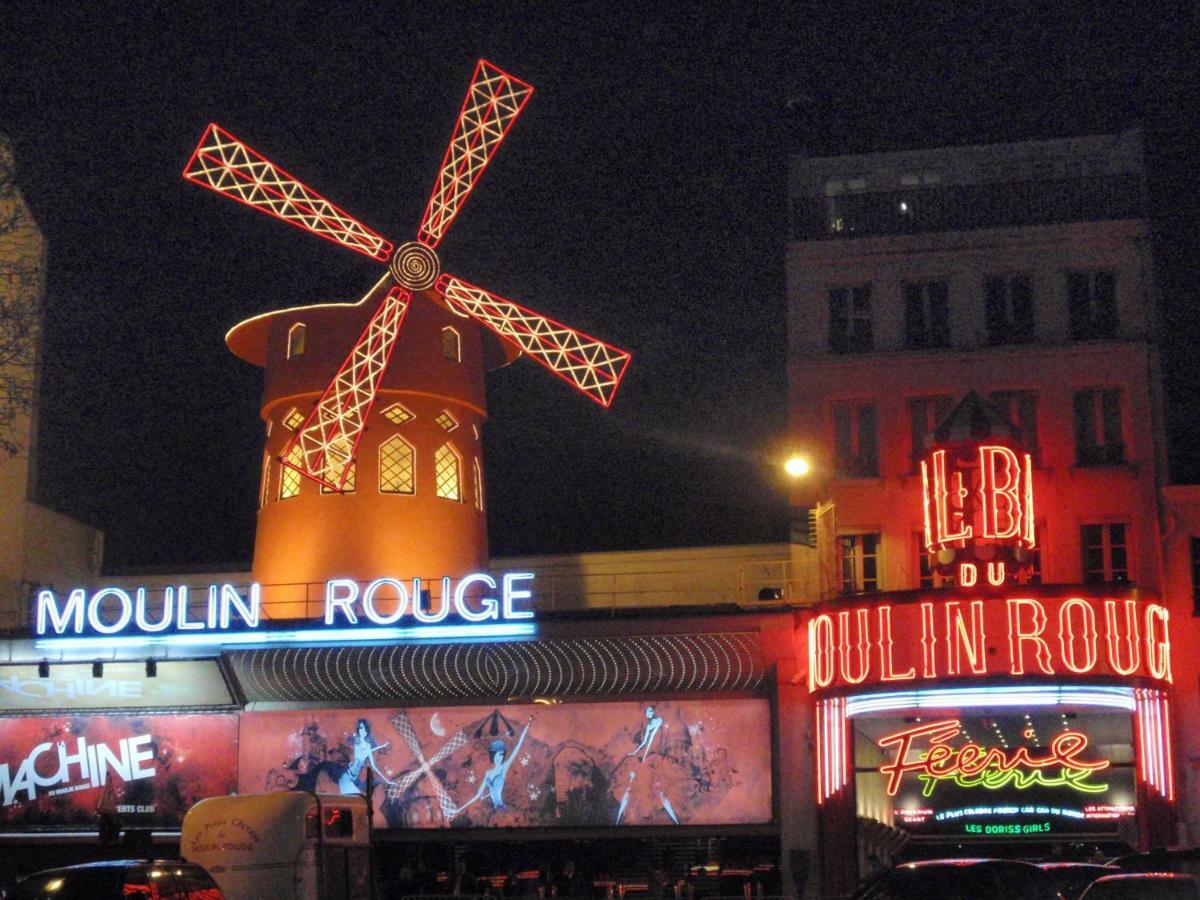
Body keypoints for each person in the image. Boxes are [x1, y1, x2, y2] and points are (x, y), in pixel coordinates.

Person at [453, 715, 534, 816]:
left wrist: (527, 726)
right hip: (497, 805)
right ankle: (498, 806)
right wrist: (458, 810)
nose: (498, 757)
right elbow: (477, 795)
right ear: (492, 756)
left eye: (501, 754)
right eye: (496, 755)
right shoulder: (488, 773)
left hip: (500, 804)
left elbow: (517, 747)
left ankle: (500, 806)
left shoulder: (504, 767)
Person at [615, 705, 681, 825]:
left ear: (654, 712)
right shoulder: (649, 724)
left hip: (653, 755)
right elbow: (645, 742)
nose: (647, 713)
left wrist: (645, 755)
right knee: (630, 788)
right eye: (646, 711)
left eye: (650, 711)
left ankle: (676, 821)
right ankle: (618, 820)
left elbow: (652, 740)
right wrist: (635, 752)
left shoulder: (658, 721)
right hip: (646, 755)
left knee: (660, 791)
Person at [338, 718, 394, 795]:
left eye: (362, 728)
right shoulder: (357, 743)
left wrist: (387, 781)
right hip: (347, 778)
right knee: (356, 801)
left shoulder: (367, 747)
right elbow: (361, 750)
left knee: (358, 802)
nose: (360, 730)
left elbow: (374, 767)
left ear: (366, 729)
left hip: (352, 779)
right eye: (359, 728)